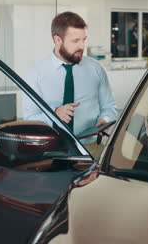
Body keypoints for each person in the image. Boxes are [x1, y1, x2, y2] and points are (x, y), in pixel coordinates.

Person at [23, 11, 117, 157]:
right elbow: (29, 119)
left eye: (84, 40)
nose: (81, 46)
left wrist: (105, 120)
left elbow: (109, 107)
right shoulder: (36, 73)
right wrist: (54, 115)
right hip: (51, 150)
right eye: (75, 41)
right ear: (57, 40)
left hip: (91, 149)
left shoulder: (96, 69)